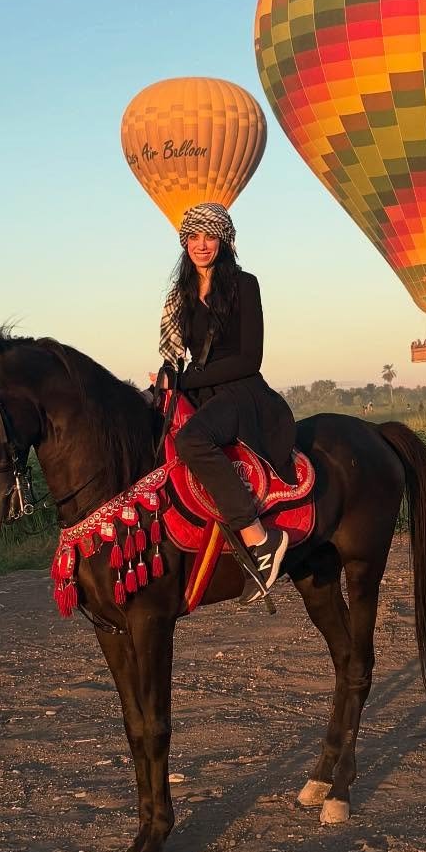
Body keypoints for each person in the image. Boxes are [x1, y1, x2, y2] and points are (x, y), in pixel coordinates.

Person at [159, 203, 296, 598]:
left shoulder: (244, 284)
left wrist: (187, 378)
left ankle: (259, 538)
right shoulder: (179, 296)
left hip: (243, 392)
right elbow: (173, 355)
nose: (202, 245)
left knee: (191, 441)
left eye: (210, 236)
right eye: (194, 237)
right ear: (185, 242)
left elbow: (250, 358)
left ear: (224, 240)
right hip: (201, 393)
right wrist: (168, 378)